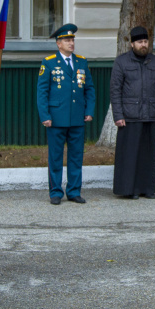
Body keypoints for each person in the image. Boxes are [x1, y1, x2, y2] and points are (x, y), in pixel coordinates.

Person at [36, 23, 95, 205]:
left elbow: (89, 89)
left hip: (77, 117)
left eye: (72, 40)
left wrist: (89, 111)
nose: (71, 43)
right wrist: (45, 115)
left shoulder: (81, 61)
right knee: (55, 157)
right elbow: (42, 91)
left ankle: (74, 191)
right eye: (67, 40)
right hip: (56, 118)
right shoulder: (49, 62)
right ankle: (55, 192)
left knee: (76, 156)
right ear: (58, 44)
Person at [110, 26, 155, 199]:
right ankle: (130, 189)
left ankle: (147, 189)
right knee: (129, 155)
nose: (144, 45)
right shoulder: (121, 62)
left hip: (150, 114)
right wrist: (118, 115)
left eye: (145, 41)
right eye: (140, 42)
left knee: (147, 155)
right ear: (132, 44)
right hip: (130, 116)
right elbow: (115, 90)